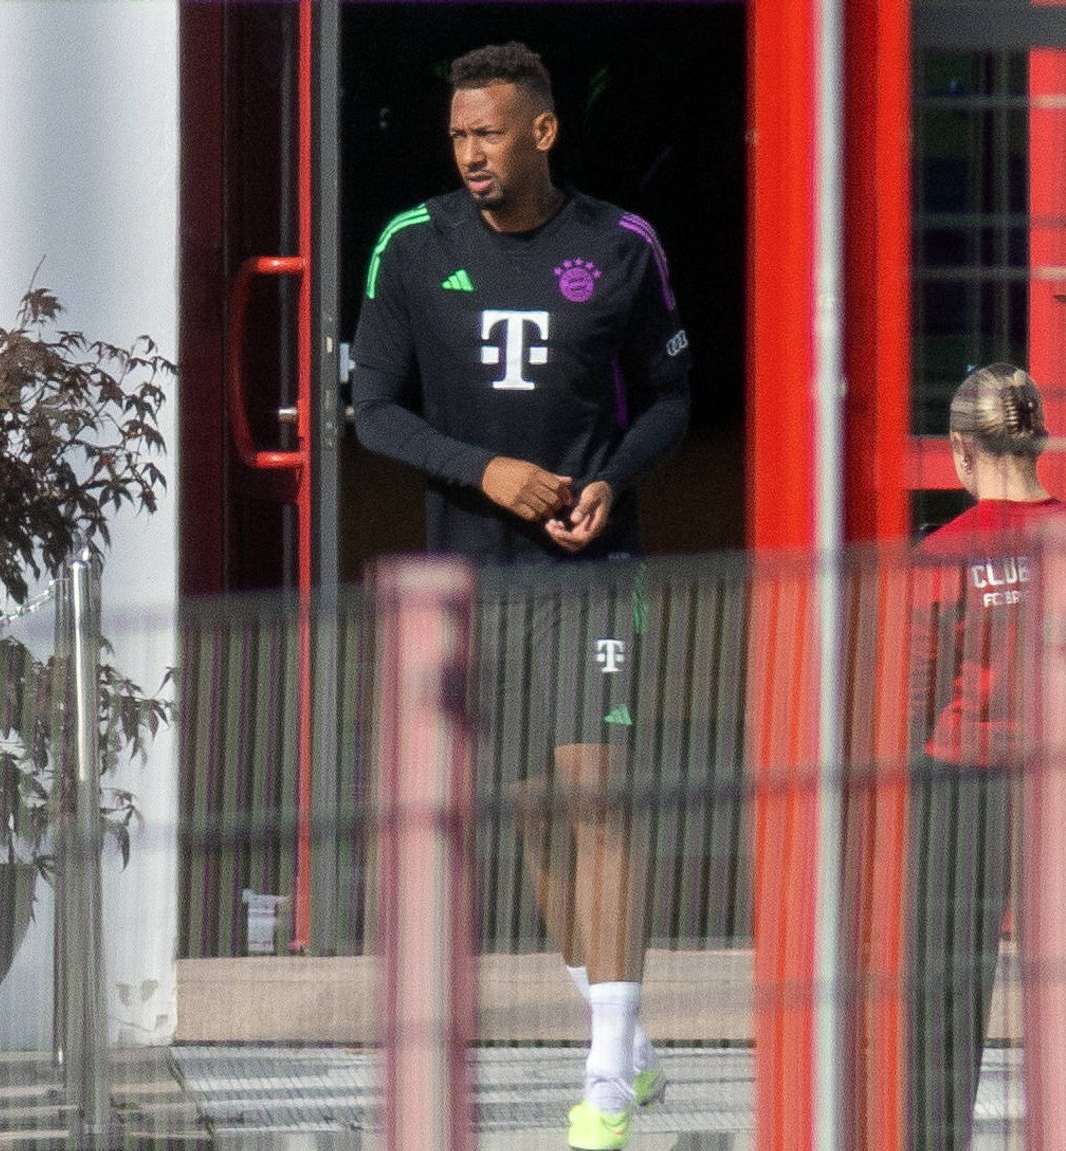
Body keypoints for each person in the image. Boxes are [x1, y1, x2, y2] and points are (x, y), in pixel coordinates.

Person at [348, 41, 692, 1151]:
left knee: (600, 794)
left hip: (590, 569)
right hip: (468, 575)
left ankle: (604, 1072)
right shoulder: (411, 245)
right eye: (456, 137)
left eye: (486, 133)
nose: (469, 155)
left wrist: (612, 477)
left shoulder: (619, 246)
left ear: (540, 132)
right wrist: (482, 470)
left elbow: (673, 397)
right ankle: (624, 1037)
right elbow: (372, 412)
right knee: (533, 804)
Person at [905, 363, 1066, 1151]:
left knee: (943, 994)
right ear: (1039, 441)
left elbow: (914, 691)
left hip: (963, 783)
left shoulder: (942, 551)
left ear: (961, 449)